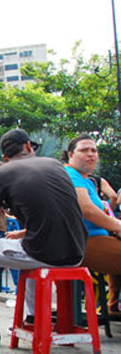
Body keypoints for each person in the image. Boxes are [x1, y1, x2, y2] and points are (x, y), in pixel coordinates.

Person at [0, 129, 87, 321]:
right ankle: (33, 316)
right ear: (28, 146)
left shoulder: (1, 173)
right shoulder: (56, 165)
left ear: (5, 157)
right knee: (27, 252)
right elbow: (58, 213)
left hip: (44, 253)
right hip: (78, 251)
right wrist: (25, 232)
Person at [63, 134, 121, 318]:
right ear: (70, 154)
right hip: (84, 242)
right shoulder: (71, 175)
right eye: (84, 150)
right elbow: (86, 210)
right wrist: (118, 226)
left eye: (94, 151)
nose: (91, 154)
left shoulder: (86, 179)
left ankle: (112, 306)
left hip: (97, 238)